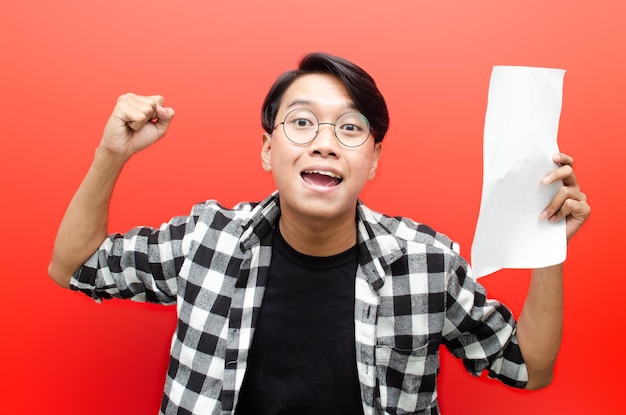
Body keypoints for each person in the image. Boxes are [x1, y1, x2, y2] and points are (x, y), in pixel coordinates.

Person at [48, 52, 590, 415]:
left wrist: (548, 241)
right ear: (267, 148)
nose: (325, 143)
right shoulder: (205, 240)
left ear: (374, 159)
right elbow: (73, 267)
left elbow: (530, 367)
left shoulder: (426, 264)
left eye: (350, 128)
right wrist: (110, 154)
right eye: (302, 122)